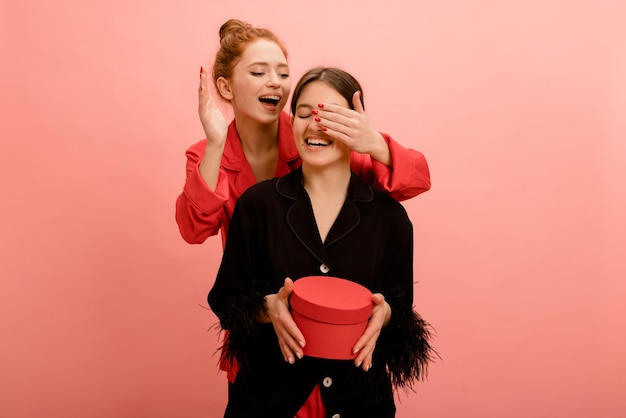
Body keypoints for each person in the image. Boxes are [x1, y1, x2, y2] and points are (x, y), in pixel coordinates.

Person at [208, 67, 435, 418]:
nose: (315, 124)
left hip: (360, 403)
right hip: (266, 402)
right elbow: (226, 300)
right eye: (303, 113)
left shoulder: (390, 218)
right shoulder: (258, 205)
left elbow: (401, 312)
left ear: (357, 125)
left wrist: (387, 314)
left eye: (330, 115)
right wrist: (268, 308)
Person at [175, 18, 431, 249]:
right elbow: (194, 231)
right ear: (226, 86)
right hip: (250, 295)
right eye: (258, 72)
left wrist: (375, 143)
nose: (276, 81)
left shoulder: (317, 141)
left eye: (284, 73)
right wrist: (216, 143)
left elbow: (417, 181)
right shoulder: (206, 156)